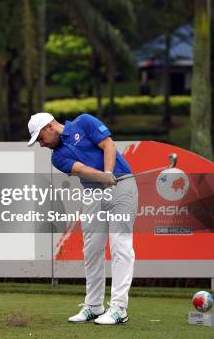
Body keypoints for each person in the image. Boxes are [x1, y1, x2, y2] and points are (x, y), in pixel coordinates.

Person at [27, 112, 138, 325]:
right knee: (92, 249)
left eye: (40, 138)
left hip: (122, 185)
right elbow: (83, 170)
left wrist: (108, 172)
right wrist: (103, 177)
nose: (41, 144)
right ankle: (94, 306)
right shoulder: (56, 157)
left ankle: (119, 308)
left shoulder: (85, 122)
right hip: (93, 193)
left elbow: (108, 146)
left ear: (49, 127)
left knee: (120, 246)